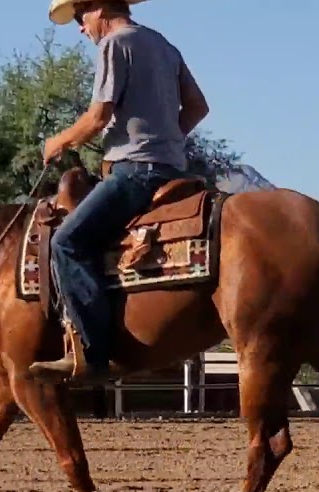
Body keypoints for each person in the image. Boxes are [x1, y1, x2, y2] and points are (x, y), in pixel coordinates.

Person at [30, 0, 210, 383]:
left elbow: (98, 117)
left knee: (67, 242)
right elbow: (198, 107)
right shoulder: (163, 44)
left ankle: (92, 353)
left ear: (97, 8)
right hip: (173, 169)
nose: (81, 29)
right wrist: (166, 138)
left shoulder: (115, 43)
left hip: (135, 172)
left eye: (80, 18)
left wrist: (58, 142)